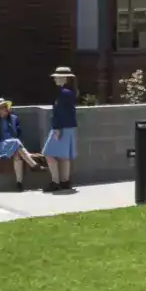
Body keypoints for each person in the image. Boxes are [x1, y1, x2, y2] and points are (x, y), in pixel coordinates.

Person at [0, 99, 43, 190]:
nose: (5, 109)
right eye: (2, 107)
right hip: (0, 146)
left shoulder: (14, 118)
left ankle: (19, 183)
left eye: (6, 107)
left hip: (14, 146)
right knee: (16, 142)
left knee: (17, 154)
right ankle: (33, 165)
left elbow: (19, 134)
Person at [43, 67, 80, 195]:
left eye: (58, 77)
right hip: (69, 126)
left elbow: (59, 112)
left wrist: (57, 128)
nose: (55, 79)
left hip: (61, 127)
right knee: (64, 156)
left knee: (48, 153)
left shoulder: (63, 93)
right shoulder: (70, 92)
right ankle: (65, 181)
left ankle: (56, 182)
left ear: (65, 78)